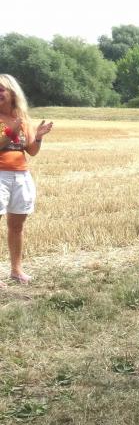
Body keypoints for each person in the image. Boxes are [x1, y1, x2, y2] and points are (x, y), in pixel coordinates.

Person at [0, 74, 53, 287]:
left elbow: (32, 151)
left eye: (1, 89)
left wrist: (38, 136)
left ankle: (16, 270)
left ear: (12, 92)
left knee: (17, 226)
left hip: (21, 175)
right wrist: (9, 132)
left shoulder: (23, 119)